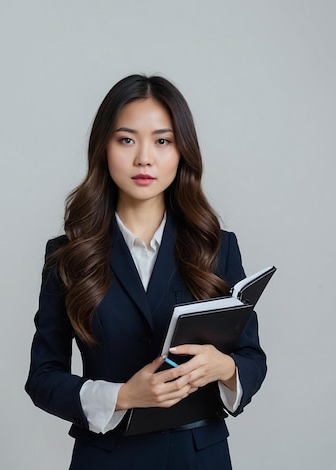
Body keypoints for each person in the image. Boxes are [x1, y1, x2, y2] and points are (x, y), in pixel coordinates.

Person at [25, 74, 266, 470]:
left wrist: (225, 368)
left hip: (200, 458)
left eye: (162, 140)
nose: (144, 158)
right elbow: (43, 377)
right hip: (106, 458)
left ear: (181, 151)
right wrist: (121, 396)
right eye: (126, 139)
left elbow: (252, 358)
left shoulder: (218, 247)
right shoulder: (68, 256)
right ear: (103, 147)